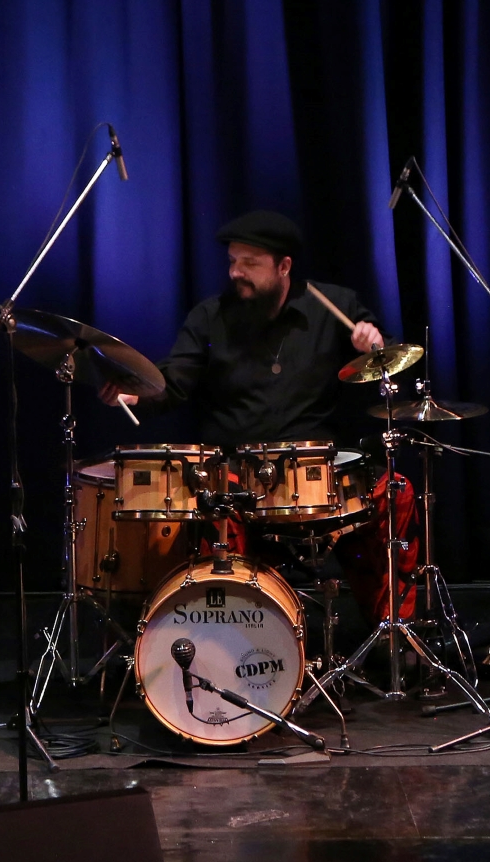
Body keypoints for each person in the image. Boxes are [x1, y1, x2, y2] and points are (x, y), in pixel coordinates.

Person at [102, 210, 415, 621]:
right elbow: (173, 382)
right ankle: (236, 631)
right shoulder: (210, 317)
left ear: (284, 266)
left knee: (397, 490)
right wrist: (134, 392)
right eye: (233, 261)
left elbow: (384, 356)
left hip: (318, 473)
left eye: (249, 263)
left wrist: (371, 343)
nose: (236, 272)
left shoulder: (334, 305)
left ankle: (394, 630)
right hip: (236, 473)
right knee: (212, 503)